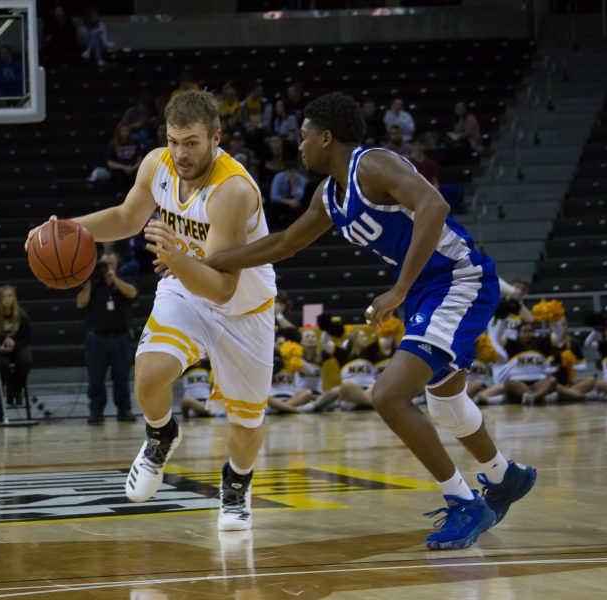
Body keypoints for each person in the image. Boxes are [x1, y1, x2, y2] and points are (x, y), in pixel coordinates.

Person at [205, 92, 536, 550]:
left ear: (326, 137)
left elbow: (434, 206)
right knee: (444, 402)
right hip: (430, 288)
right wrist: (214, 260)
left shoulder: (371, 165)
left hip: (459, 279)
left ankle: (464, 502)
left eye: (302, 137)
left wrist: (399, 289)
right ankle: (504, 477)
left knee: (388, 394)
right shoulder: (329, 195)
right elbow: (283, 244)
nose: (297, 145)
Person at [27, 90, 276, 531]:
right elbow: (127, 217)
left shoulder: (230, 192)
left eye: (192, 143)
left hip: (241, 306)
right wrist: (66, 228)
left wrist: (177, 257)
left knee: (246, 421)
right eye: (174, 140)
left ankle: (236, 485)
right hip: (185, 289)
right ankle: (161, 435)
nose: (180, 153)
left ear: (216, 138)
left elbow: (222, 288)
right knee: (148, 373)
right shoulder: (156, 165)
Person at [76, 251, 139, 424]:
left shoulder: (125, 280)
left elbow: (132, 293)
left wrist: (115, 280)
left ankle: (124, 409)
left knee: (122, 377)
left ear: (117, 265)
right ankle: (96, 411)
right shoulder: (93, 284)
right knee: (95, 378)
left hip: (121, 338)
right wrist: (88, 283)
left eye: (110, 264)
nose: (106, 268)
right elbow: (80, 303)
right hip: (97, 338)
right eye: (104, 265)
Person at [0, 285, 33, 406]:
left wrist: (15, 344)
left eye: (10, 296)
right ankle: (12, 391)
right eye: (3, 296)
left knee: (26, 360)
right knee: (2, 364)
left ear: (14, 298)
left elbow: (27, 338)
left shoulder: (21, 315)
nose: (7, 299)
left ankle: (16, 390)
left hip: (17, 347)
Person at [106, 123, 145, 195]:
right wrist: (124, 167)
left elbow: (140, 159)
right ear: (118, 132)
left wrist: (133, 167)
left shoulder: (135, 143)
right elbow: (110, 163)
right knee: (119, 174)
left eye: (126, 130)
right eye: (122, 131)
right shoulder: (113, 144)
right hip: (120, 169)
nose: (125, 133)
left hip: (133, 168)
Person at [269, 162, 306, 228]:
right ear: (285, 172)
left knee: (300, 204)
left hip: (294, 201)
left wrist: (293, 183)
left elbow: (300, 195)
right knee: (274, 206)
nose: (292, 174)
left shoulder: (301, 179)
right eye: (289, 171)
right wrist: (289, 201)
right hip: (281, 201)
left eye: (294, 171)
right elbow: (273, 196)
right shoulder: (279, 177)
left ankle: (297, 227)